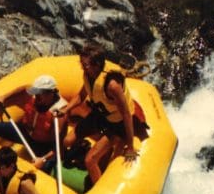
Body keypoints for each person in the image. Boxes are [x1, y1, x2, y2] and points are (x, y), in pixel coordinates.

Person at [62, 43, 150, 185]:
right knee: (67, 141)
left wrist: (131, 145)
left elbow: (127, 114)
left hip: (118, 123)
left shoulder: (112, 86)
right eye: (82, 64)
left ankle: (97, 190)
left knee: (90, 160)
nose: (82, 67)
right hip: (101, 115)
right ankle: (102, 148)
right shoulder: (88, 75)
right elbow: (81, 96)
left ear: (97, 65)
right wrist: (65, 109)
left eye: (86, 65)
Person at [0, 75, 68, 170]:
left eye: (40, 94)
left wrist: (43, 159)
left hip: (43, 146)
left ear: (50, 93)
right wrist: (4, 97)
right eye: (36, 93)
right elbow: (23, 89)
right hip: (24, 133)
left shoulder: (59, 114)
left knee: (45, 167)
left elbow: (58, 148)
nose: (36, 97)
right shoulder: (34, 96)